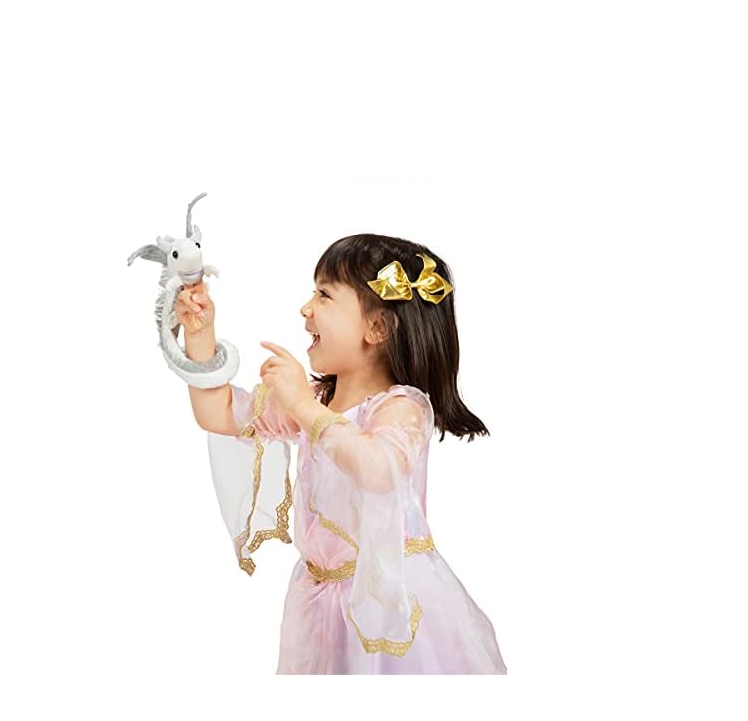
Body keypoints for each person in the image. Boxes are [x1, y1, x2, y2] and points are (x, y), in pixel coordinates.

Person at [180, 233, 507, 675]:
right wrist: (199, 334)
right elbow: (217, 413)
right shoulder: (317, 400)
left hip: (387, 601)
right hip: (320, 607)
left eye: (324, 295)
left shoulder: (399, 407)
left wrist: (303, 407)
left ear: (377, 328)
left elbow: (379, 471)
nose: (306, 308)